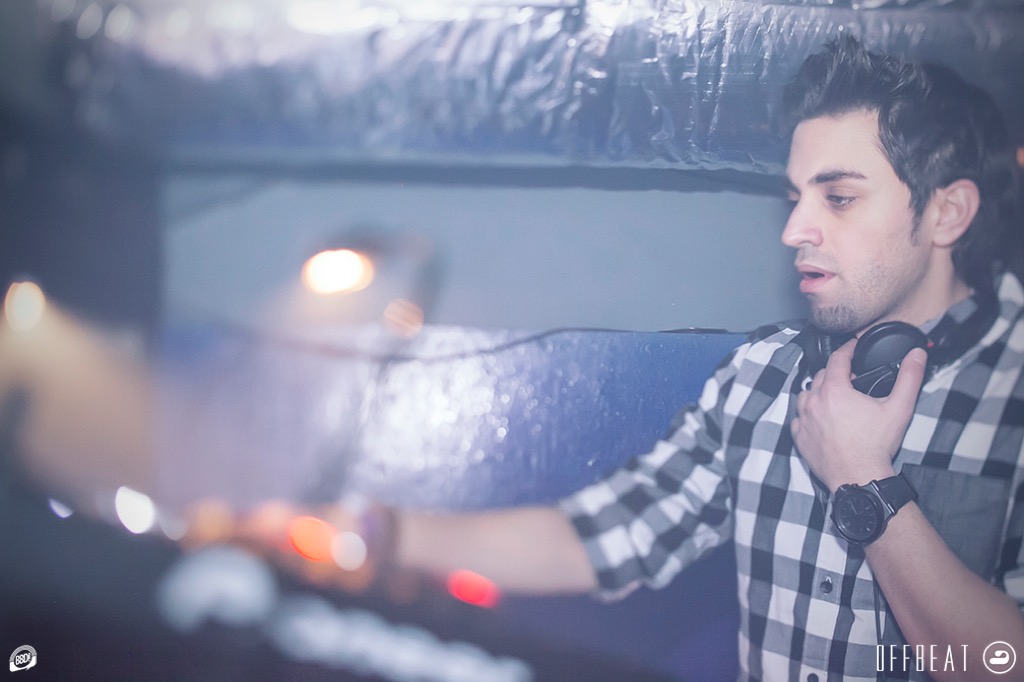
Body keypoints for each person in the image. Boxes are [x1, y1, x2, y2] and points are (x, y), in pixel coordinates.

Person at [201, 35, 1024, 681]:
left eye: (838, 198)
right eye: (795, 197)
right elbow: (604, 538)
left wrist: (864, 483)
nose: (794, 230)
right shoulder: (765, 377)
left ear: (946, 212)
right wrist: (369, 533)